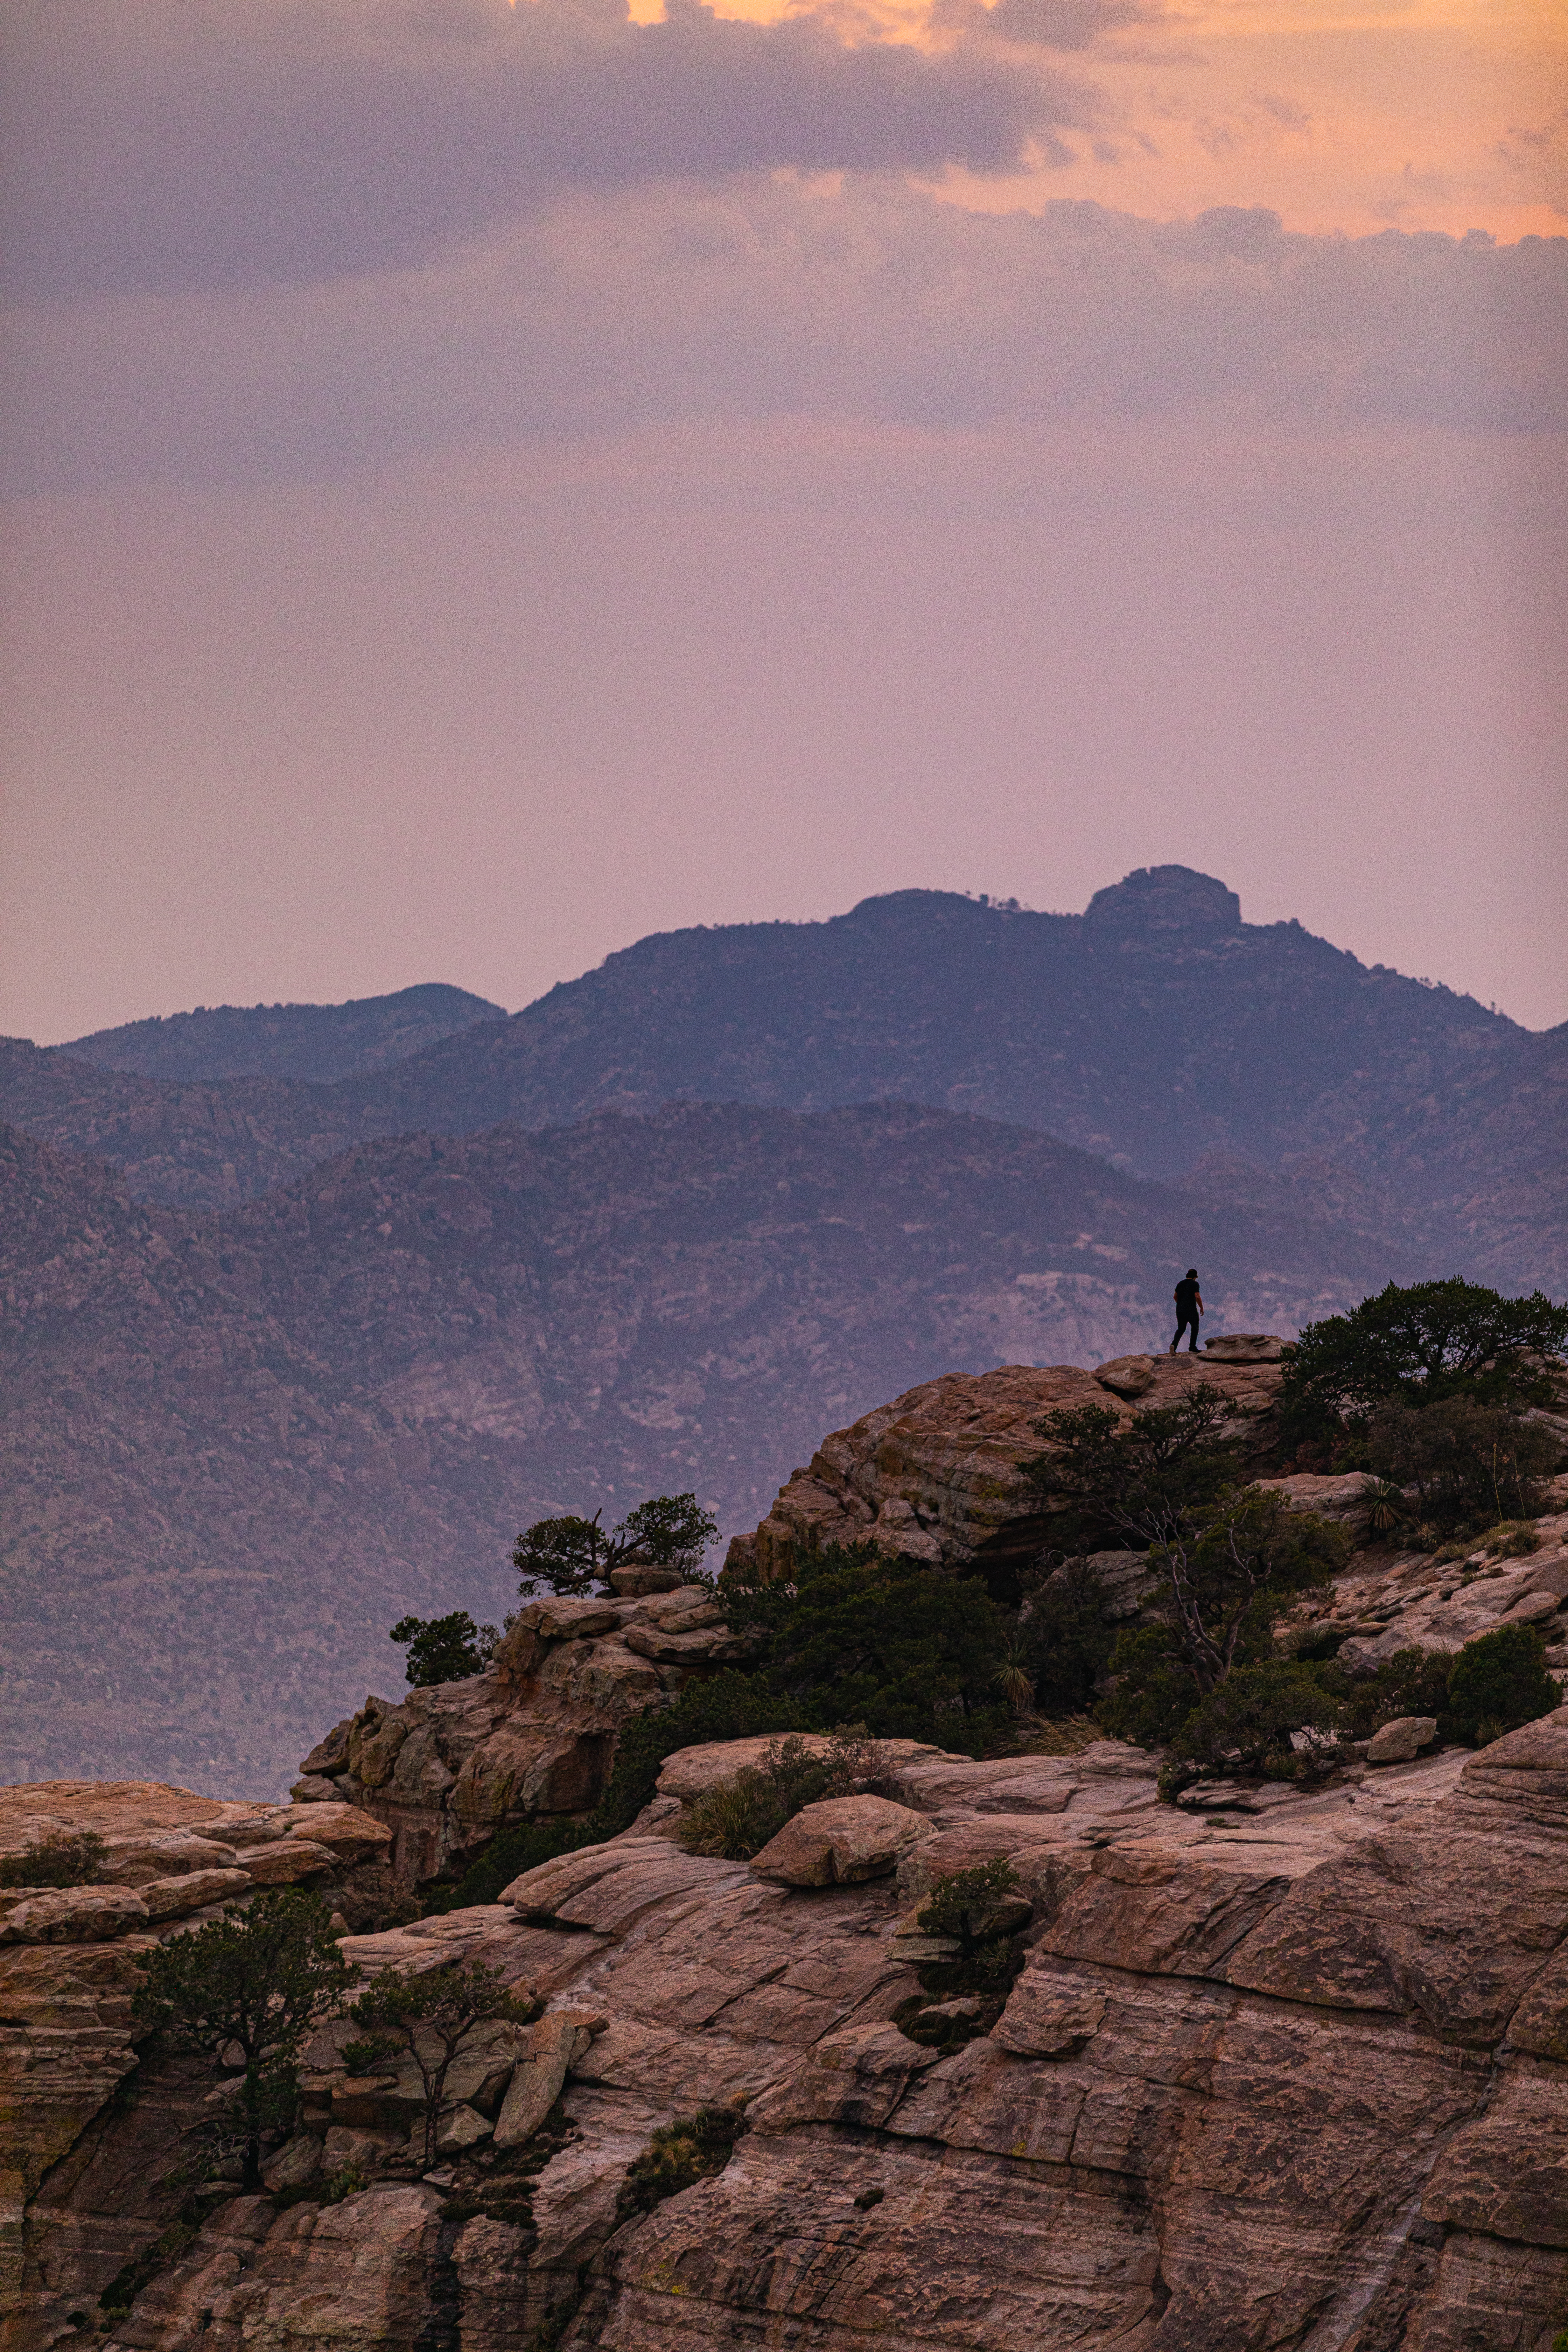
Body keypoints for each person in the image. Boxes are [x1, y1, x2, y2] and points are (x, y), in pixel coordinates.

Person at [1170, 1268, 1203, 1354]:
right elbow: (1198, 1296)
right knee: (1195, 1327)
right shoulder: (1195, 1284)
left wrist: (1181, 1304)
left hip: (1180, 1310)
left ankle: (1174, 1345)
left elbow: (1175, 1297)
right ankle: (1192, 1347)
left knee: (1181, 1329)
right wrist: (1201, 1308)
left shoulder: (1180, 1284)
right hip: (1191, 1309)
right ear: (1195, 1277)